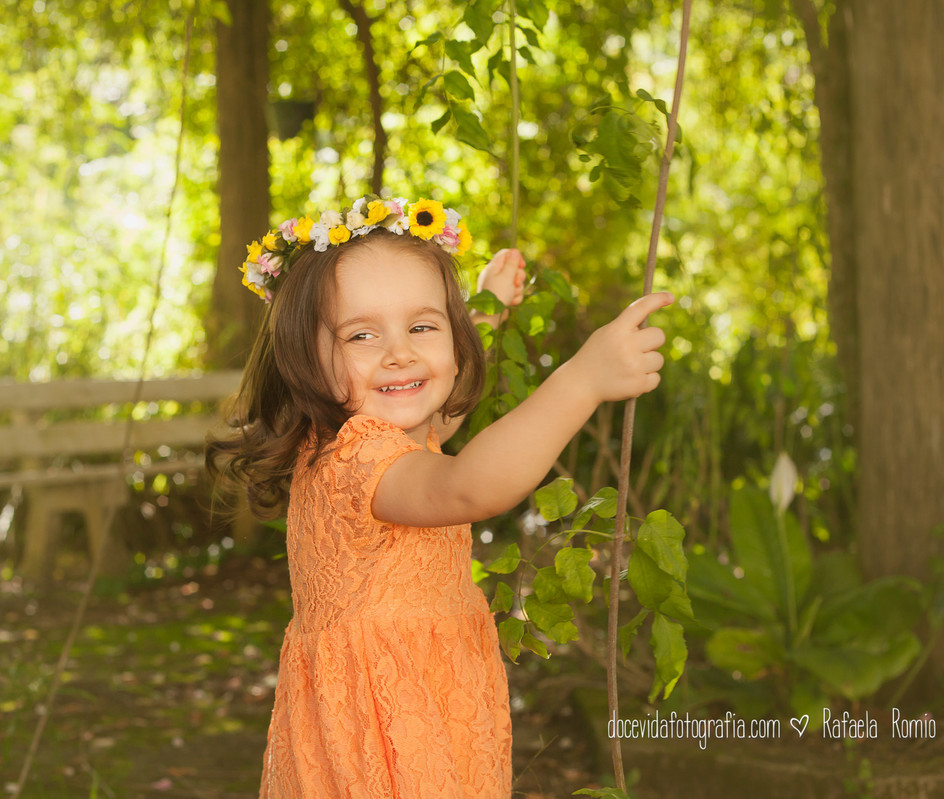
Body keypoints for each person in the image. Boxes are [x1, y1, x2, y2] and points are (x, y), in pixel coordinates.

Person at [206, 194, 672, 798]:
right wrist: (581, 380)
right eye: (362, 335)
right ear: (306, 359)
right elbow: (468, 485)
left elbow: (431, 414)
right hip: (390, 723)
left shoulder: (357, 437)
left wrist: (485, 314)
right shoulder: (358, 460)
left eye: (423, 326)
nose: (400, 351)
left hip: (417, 694)